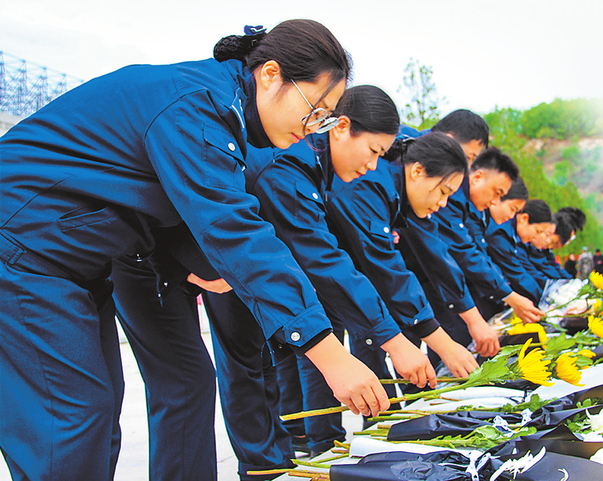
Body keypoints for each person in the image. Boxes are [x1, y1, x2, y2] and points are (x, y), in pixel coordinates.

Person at [0, 19, 391, 480]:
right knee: (69, 416)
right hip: (24, 249)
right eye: (314, 109)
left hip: (71, 260)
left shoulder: (222, 110)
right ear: (270, 75)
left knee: (99, 409)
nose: (313, 128)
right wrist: (328, 353)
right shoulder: (196, 107)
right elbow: (233, 227)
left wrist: (198, 260)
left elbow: (160, 198)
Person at [202, 85, 438, 468]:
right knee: (243, 383)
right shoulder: (288, 166)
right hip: (222, 274)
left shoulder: (315, 167)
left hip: (254, 279)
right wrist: (393, 339)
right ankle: (271, 469)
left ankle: (279, 464)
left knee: (262, 385)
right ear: (341, 128)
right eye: (374, 151)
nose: (373, 166)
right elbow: (324, 260)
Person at [325, 132, 480, 410]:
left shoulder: (396, 192)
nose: (443, 203)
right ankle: (317, 443)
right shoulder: (370, 184)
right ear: (418, 170)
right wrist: (442, 345)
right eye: (443, 192)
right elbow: (386, 268)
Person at [398, 147, 522, 363]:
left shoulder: (464, 205)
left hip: (425, 291)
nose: (442, 202)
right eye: (498, 193)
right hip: (417, 289)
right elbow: (454, 253)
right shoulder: (430, 196)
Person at [485, 199, 554, 304]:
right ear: (524, 219)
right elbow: (517, 273)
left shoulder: (513, 236)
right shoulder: (501, 236)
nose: (536, 236)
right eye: (538, 231)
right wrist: (544, 300)